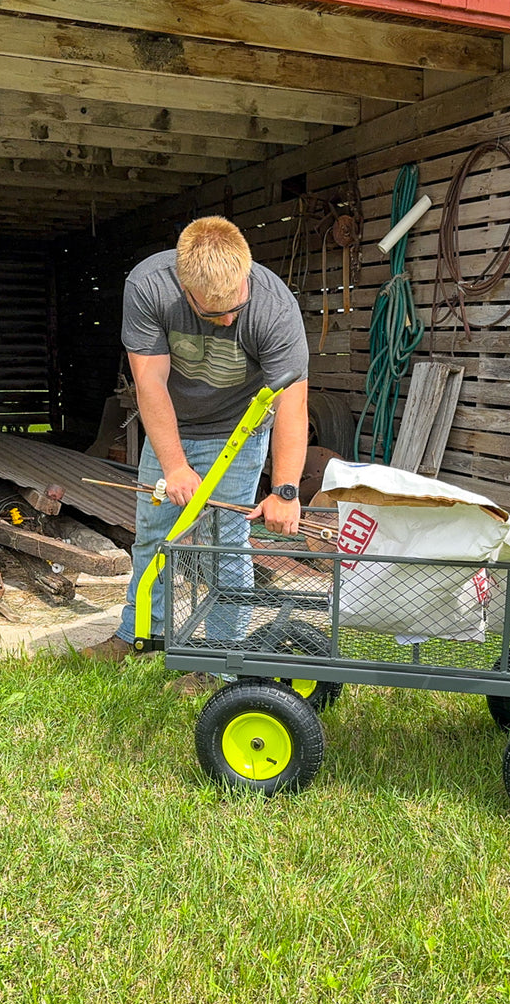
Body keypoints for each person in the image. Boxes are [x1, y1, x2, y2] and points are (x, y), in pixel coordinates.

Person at [82, 216, 309, 691]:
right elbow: (149, 383)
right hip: (174, 427)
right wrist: (175, 465)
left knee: (224, 545)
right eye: (213, 315)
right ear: (185, 289)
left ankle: (222, 661)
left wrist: (285, 489)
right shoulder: (148, 287)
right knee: (153, 535)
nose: (227, 321)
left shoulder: (273, 307)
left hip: (239, 432)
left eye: (234, 309)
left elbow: (293, 403)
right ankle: (142, 633)